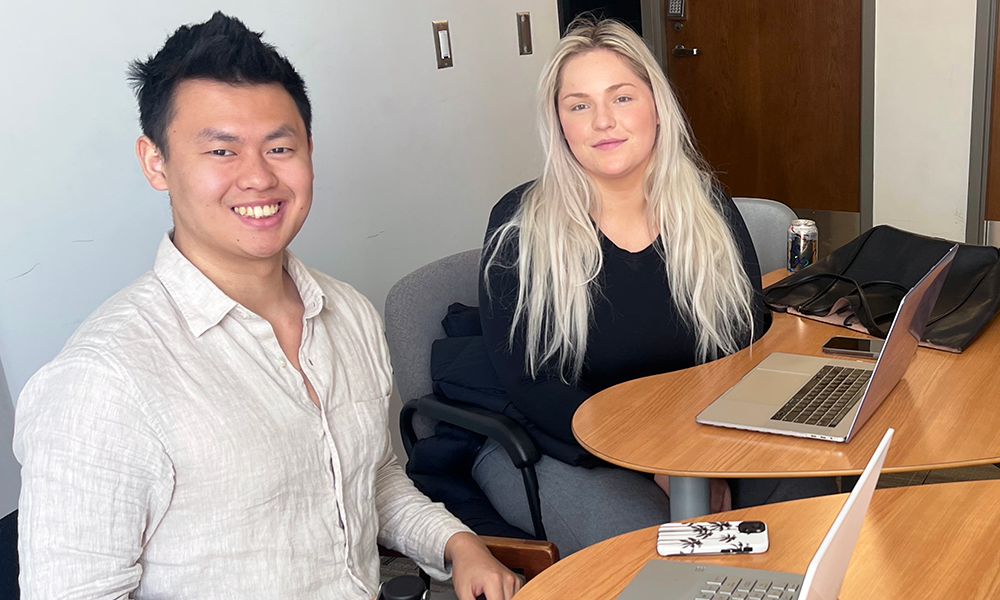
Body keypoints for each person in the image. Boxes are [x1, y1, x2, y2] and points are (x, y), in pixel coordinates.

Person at [13, 12, 518, 600]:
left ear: (309, 151)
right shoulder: (102, 382)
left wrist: (458, 544)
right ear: (156, 162)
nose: (257, 177)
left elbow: (368, 479)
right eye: (222, 151)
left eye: (279, 147)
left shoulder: (349, 313)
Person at [475, 18, 837, 556]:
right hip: (561, 440)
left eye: (621, 97)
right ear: (559, 123)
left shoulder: (707, 207)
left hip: (698, 432)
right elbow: (532, 385)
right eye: (578, 105)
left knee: (812, 496)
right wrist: (663, 462)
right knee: (671, 551)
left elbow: (743, 342)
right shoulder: (520, 226)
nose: (602, 121)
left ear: (656, 106)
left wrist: (699, 456)